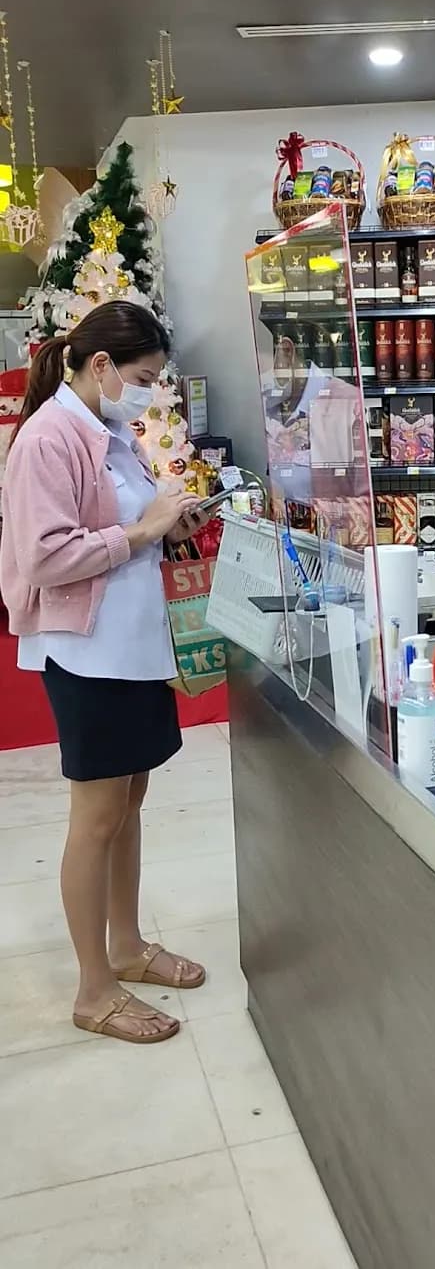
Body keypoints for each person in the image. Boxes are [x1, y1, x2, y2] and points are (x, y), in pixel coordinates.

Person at [0, 301, 209, 1045]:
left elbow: (125, 522)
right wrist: (143, 529)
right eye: (145, 377)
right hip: (84, 652)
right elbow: (46, 556)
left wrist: (166, 524)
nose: (151, 393)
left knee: (130, 801)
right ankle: (94, 988)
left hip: (129, 645)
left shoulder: (109, 429)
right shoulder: (47, 438)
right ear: (99, 367)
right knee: (95, 818)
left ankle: (126, 946)